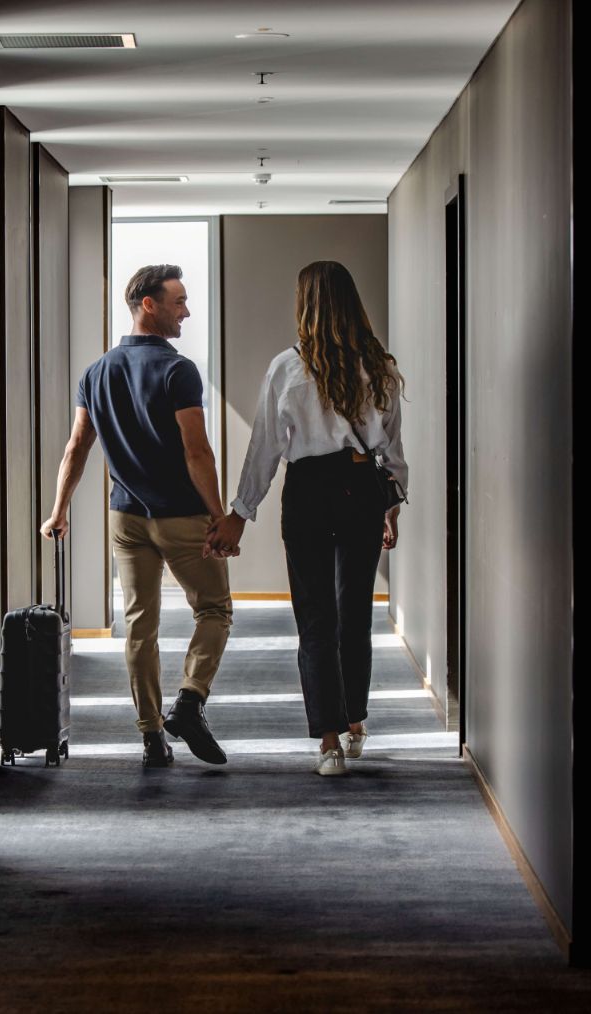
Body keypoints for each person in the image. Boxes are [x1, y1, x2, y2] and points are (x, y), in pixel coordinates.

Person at [208, 261, 407, 776]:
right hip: (362, 487)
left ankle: (329, 742)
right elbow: (393, 450)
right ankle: (356, 722)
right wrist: (390, 507)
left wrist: (240, 512)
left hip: (309, 492)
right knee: (354, 610)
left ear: (307, 304)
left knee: (316, 617)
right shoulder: (379, 365)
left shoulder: (286, 367)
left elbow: (265, 449)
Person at [40, 264, 233, 769]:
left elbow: (76, 447)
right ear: (149, 304)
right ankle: (189, 701)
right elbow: (198, 453)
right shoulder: (178, 370)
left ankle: (152, 736)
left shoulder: (96, 372)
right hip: (183, 517)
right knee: (214, 610)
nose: (186, 311)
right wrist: (220, 516)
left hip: (125, 518)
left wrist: (58, 511)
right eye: (179, 301)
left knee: (139, 626)